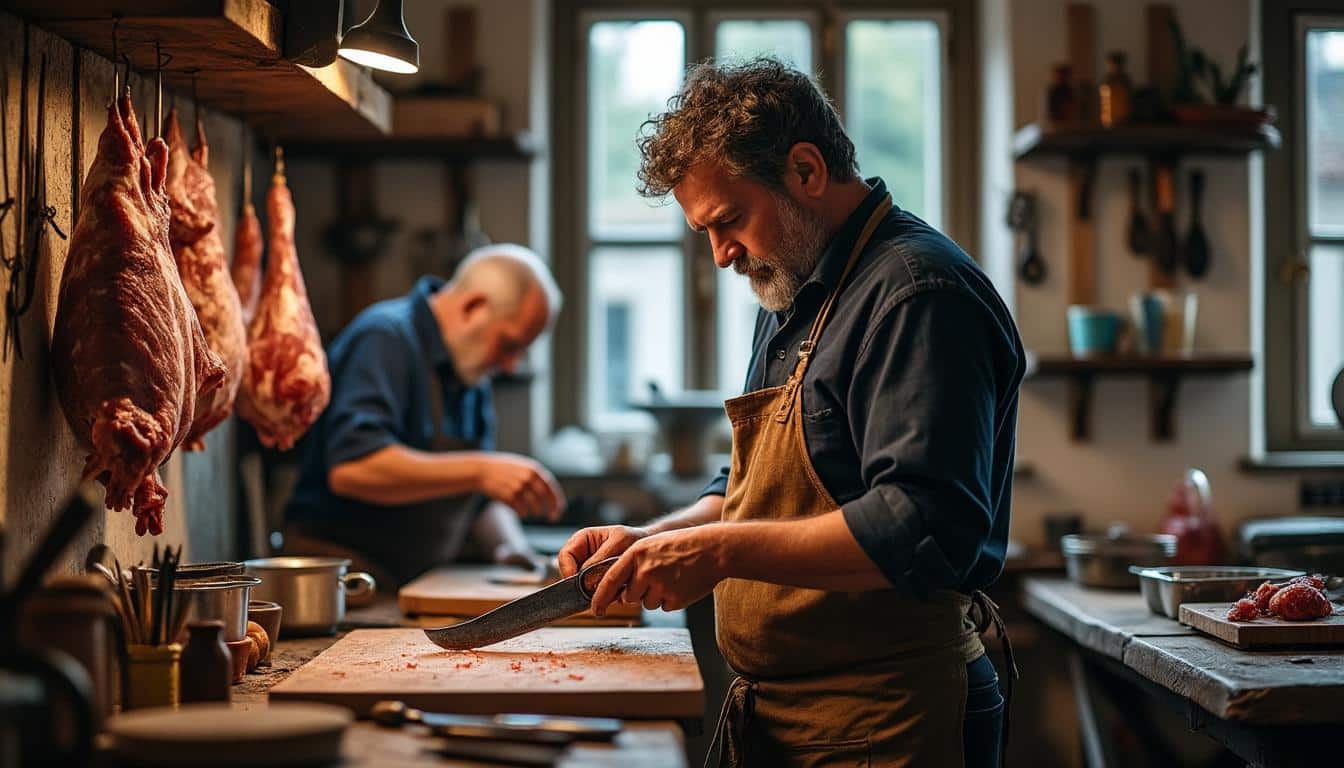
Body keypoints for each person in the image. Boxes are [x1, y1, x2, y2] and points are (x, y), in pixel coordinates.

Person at [558, 59, 1025, 767]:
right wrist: (652, 539)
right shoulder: (797, 289)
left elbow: (922, 526)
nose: (720, 256)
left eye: (730, 220)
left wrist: (714, 554)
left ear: (806, 170)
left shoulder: (917, 294)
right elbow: (752, 489)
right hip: (793, 716)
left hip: (888, 719)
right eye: (704, 233)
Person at [285, 244, 567, 585]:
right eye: (509, 345)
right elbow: (353, 468)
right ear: (473, 307)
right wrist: (482, 470)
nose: (510, 365)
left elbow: (476, 498)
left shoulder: (470, 369)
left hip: (411, 578)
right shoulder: (385, 338)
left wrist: (510, 546)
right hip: (343, 578)